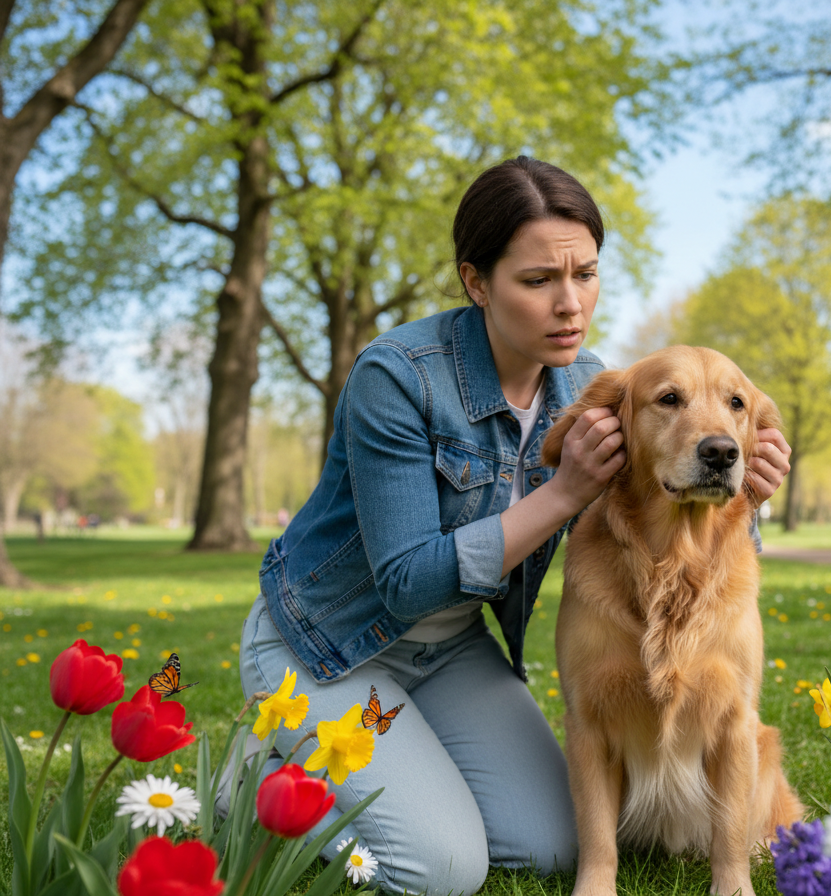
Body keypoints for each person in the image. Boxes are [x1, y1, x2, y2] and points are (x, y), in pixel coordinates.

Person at [234, 156, 792, 896]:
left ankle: (402, 753)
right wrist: (563, 494)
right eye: (538, 280)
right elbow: (406, 584)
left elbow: (664, 498)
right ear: (476, 282)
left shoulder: (586, 380)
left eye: (585, 274)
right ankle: (255, 783)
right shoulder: (396, 377)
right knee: (441, 869)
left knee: (556, 844)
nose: (571, 304)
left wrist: (747, 493)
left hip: (450, 650)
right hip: (331, 645)